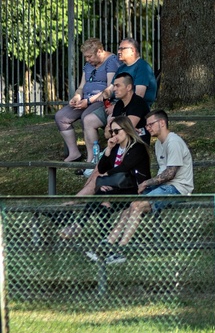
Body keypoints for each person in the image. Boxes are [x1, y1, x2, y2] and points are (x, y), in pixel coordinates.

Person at [61, 116, 152, 250]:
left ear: (126, 129)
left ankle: (80, 226)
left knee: (102, 195)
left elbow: (124, 168)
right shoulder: (115, 148)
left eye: (116, 131)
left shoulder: (137, 147)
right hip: (118, 188)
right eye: (111, 132)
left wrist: (107, 176)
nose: (113, 135)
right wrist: (108, 149)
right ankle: (106, 240)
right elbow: (102, 167)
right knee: (103, 201)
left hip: (136, 189)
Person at [108, 110, 195, 246]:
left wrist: (145, 183)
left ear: (162, 123)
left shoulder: (173, 142)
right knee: (128, 208)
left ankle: (121, 247)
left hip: (178, 188)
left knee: (137, 205)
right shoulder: (159, 144)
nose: (148, 128)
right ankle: (109, 243)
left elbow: (170, 173)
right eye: (147, 125)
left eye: (150, 124)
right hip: (164, 186)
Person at [55, 38, 119, 163]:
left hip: (100, 101)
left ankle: (92, 158)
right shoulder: (88, 65)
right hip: (85, 99)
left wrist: (88, 101)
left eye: (89, 56)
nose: (87, 60)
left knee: (86, 116)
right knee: (61, 117)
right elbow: (81, 86)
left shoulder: (112, 62)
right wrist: (77, 96)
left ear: (99, 51)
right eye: (85, 57)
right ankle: (74, 153)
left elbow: (109, 89)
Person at [98, 38, 157, 106]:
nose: (119, 52)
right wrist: (104, 95)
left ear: (133, 51)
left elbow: (139, 95)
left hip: (133, 107)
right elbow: (111, 88)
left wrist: (116, 108)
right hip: (115, 104)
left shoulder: (142, 67)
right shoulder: (121, 68)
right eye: (119, 49)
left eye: (122, 49)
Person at [107, 73, 151, 145]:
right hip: (120, 144)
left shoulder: (138, 103)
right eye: (114, 86)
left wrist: (113, 127)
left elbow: (127, 129)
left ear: (128, 87)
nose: (114, 89)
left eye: (117, 86)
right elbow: (107, 134)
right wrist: (119, 129)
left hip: (137, 144)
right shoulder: (118, 104)